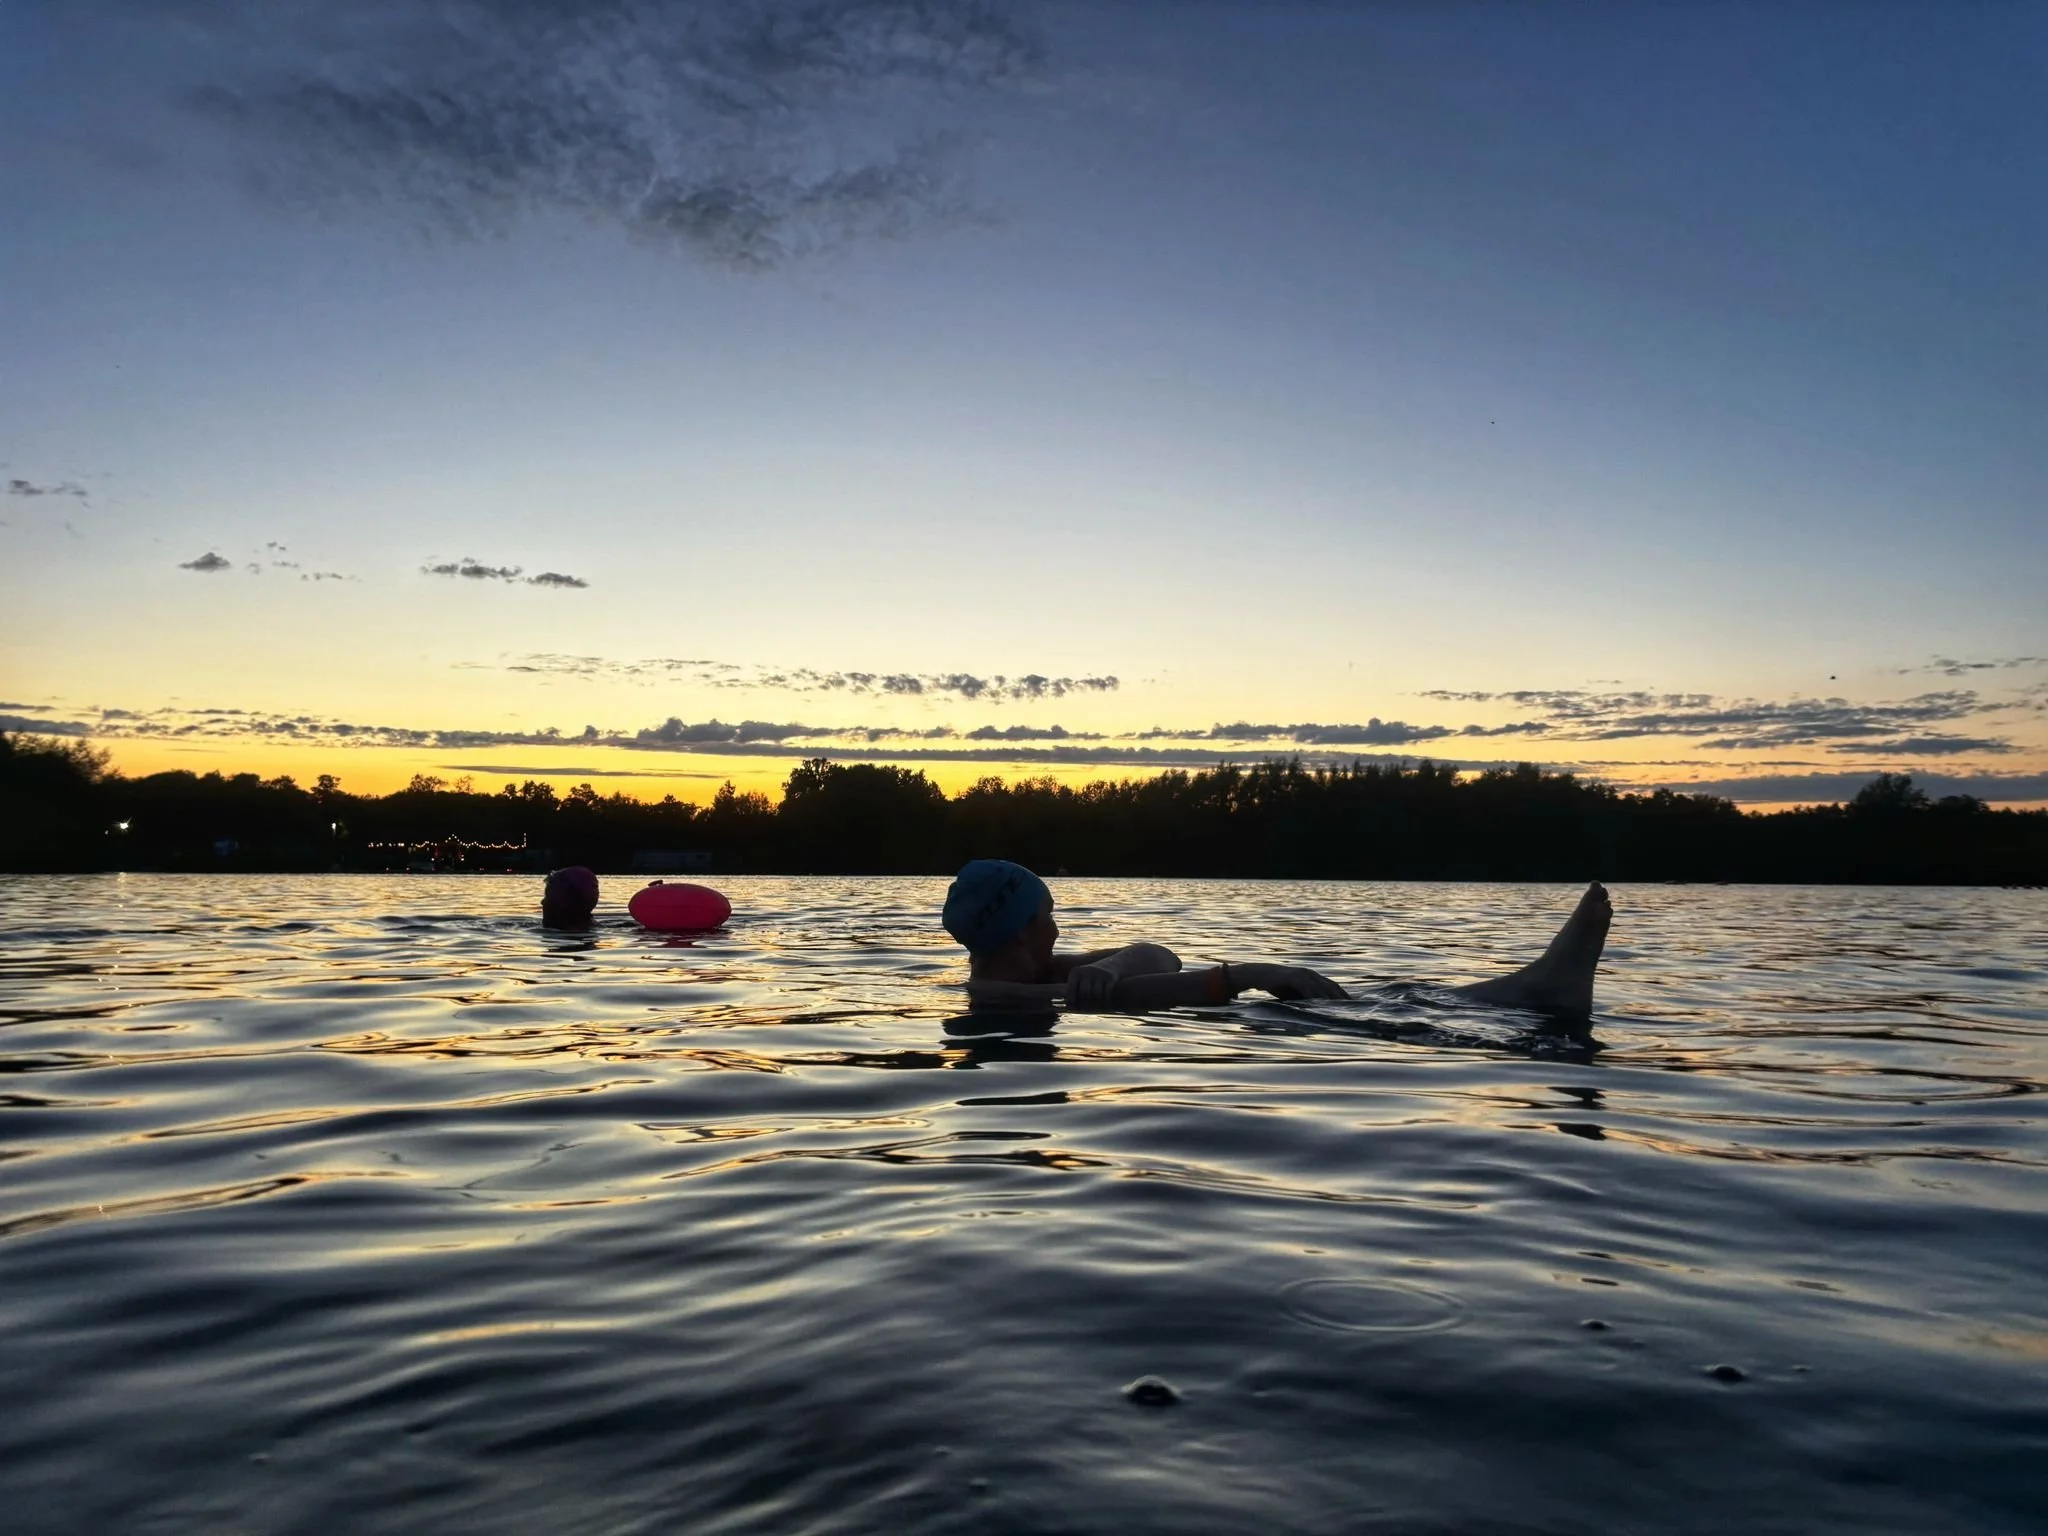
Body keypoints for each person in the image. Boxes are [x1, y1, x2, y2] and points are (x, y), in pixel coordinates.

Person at [942, 859, 1613, 1018]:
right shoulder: (1001, 996)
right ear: (1026, 923)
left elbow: (1156, 955)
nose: (1057, 926)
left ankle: (1534, 989)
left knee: (1350, 1003)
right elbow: (1142, 991)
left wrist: (1109, 971)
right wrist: (1247, 973)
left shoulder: (1043, 972)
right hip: (1211, 1019)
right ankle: (1536, 992)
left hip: (1201, 1015)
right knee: (1312, 1015)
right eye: (1049, 912)